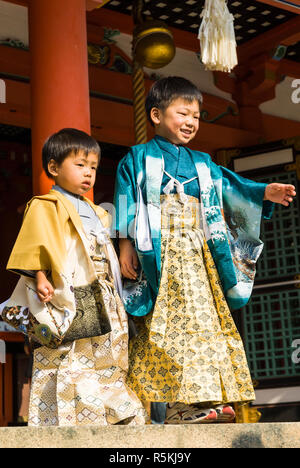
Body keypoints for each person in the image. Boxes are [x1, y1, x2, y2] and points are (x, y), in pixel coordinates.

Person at [114, 76, 296, 424]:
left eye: (196, 116)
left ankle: (206, 399)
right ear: (155, 115)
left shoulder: (203, 162)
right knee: (164, 326)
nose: (191, 122)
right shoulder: (137, 157)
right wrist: (125, 246)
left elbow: (230, 186)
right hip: (158, 255)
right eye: (183, 113)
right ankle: (174, 405)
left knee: (204, 323)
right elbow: (125, 201)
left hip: (197, 257)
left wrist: (263, 192)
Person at [1, 128, 148, 426]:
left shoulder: (101, 213)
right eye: (80, 165)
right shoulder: (46, 205)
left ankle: (114, 412)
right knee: (69, 356)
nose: (88, 173)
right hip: (68, 291)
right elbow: (36, 242)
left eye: (93, 167)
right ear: (54, 167)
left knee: (111, 352)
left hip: (104, 292)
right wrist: (40, 276)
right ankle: (70, 418)